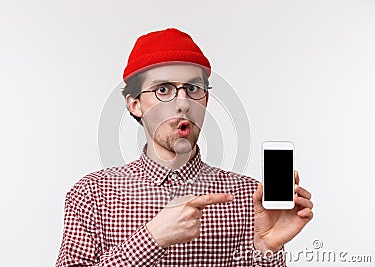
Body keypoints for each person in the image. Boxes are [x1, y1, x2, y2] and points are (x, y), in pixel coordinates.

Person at [56, 28, 313, 267]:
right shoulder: (91, 194)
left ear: (206, 99)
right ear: (135, 104)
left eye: (193, 88)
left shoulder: (249, 197)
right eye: (163, 89)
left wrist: (265, 249)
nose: (183, 103)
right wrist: (151, 239)